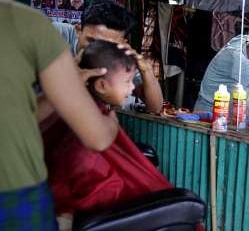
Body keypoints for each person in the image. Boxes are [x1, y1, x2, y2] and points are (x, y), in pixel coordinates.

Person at [0, 0, 119, 230]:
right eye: (92, 41)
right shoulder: (26, 23)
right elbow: (98, 138)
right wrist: (111, 123)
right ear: (78, 31)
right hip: (15, 191)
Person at [43, 41, 172, 230]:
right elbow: (87, 174)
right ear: (102, 85)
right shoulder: (90, 114)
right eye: (127, 82)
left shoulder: (90, 106)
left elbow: (155, 106)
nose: (131, 89)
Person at [39, 0, 163, 120]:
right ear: (78, 30)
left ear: (121, 43)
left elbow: (155, 108)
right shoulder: (54, 34)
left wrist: (147, 71)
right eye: (92, 41)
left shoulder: (119, 57)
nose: (98, 50)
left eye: (106, 46)